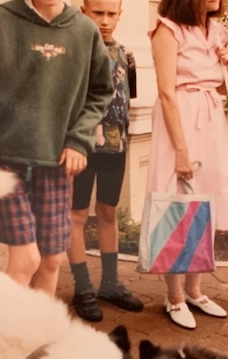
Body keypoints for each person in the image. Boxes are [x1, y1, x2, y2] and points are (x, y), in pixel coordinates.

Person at [0, 0, 114, 297]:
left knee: (51, 260)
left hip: (57, 163)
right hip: (7, 163)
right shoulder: (3, 20)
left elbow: (101, 91)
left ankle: (37, 339)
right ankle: (2, 339)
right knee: (26, 259)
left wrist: (80, 140)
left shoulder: (84, 30)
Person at [146, 0, 228, 330]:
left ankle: (195, 290)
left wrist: (226, 66)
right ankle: (173, 297)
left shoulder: (214, 31)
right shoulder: (167, 30)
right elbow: (166, 92)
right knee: (178, 207)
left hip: (210, 118)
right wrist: (181, 150)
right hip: (180, 120)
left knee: (207, 204)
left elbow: (216, 82)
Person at [67, 0, 143, 322]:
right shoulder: (74, 53)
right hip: (81, 147)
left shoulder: (126, 55)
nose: (106, 21)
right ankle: (82, 286)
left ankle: (110, 282)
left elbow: (128, 100)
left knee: (109, 211)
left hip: (116, 146)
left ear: (120, 15)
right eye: (98, 13)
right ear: (83, 11)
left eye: (112, 14)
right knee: (77, 214)